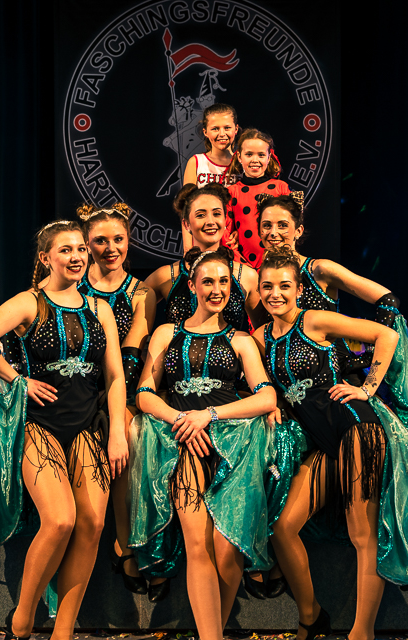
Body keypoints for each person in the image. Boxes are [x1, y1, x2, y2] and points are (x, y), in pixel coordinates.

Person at [255, 195, 408, 611]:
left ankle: (376, 618)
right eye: (266, 225)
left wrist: (366, 377)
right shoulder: (262, 324)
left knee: (369, 526)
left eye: (283, 224)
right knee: (284, 523)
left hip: (350, 410)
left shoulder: (318, 279)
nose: (274, 232)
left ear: (299, 230)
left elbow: (386, 317)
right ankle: (309, 614)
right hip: (316, 426)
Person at [0, 220, 127, 640]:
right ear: (45, 257)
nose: (76, 256)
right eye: (65, 250)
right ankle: (23, 617)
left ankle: (63, 632)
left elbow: (115, 377)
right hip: (39, 427)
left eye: (80, 249)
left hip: (85, 429)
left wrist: (118, 433)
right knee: (60, 521)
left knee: (92, 524)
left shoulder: (100, 309)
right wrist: (18, 380)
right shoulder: (30, 303)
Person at [129, 246, 278, 638]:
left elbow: (266, 397)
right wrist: (181, 419)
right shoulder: (167, 332)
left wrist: (208, 416)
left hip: (233, 446)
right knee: (198, 545)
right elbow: (145, 393)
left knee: (227, 551)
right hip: (181, 443)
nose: (217, 289)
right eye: (208, 281)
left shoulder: (241, 340)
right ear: (192, 285)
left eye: (224, 282)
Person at [75, 203, 156, 594]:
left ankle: (124, 542)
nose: (111, 248)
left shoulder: (142, 292)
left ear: (129, 240)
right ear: (86, 243)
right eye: (101, 241)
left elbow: (130, 356)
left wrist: (116, 401)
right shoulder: (73, 287)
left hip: (117, 385)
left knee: (123, 431)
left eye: (118, 239)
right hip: (75, 385)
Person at [145, 183, 263, 332]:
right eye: (200, 215)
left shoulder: (246, 276)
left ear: (225, 220)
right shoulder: (166, 276)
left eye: (217, 214)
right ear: (186, 224)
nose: (210, 222)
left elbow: (265, 332)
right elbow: (134, 312)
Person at [181, 104, 240, 254]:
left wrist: (241, 233)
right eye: (215, 128)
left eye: (227, 128)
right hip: (203, 243)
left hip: (235, 245)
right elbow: (186, 209)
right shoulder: (196, 162)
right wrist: (188, 250)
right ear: (205, 132)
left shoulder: (243, 164)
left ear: (236, 129)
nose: (222, 133)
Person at [227, 129, 290, 268]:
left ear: (269, 157)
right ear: (239, 157)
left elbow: (290, 229)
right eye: (249, 154)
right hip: (243, 268)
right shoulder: (231, 192)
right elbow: (227, 235)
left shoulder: (281, 188)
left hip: (277, 265)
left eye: (261, 155)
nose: (255, 160)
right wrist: (243, 267)